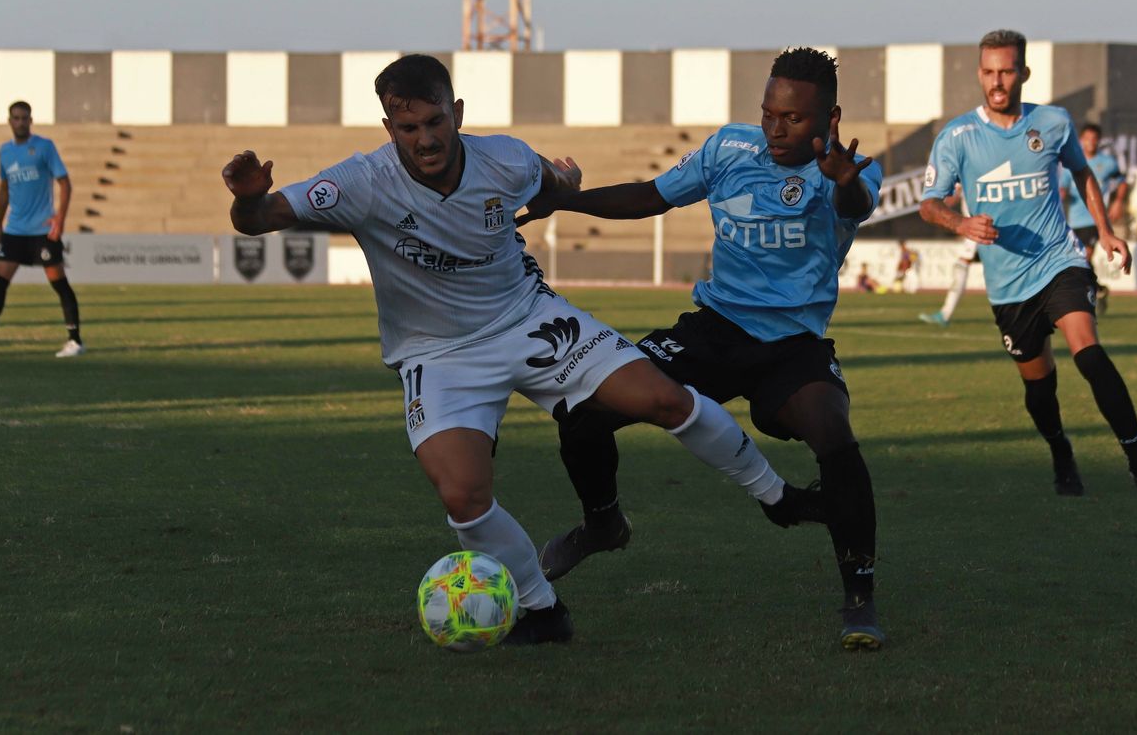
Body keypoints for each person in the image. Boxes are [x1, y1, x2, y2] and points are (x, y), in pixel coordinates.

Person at [220, 55, 812, 646]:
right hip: (438, 352)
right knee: (463, 496)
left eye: (434, 122)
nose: (424, 139)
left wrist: (568, 181)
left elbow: (553, 183)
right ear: (388, 129)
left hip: (528, 317)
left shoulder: (504, 158)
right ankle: (542, 609)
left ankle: (777, 496)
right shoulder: (360, 182)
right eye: (408, 128)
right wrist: (249, 198)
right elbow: (261, 218)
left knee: (662, 399)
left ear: (456, 114)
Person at [517, 47, 888, 650]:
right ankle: (603, 522)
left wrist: (843, 182)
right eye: (769, 112)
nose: (775, 127)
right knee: (584, 413)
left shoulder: (851, 172)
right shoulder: (728, 149)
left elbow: (857, 204)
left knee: (834, 435)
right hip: (712, 331)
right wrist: (567, 199)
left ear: (830, 118)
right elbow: (652, 196)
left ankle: (859, 596)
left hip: (792, 345)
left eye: (793, 119)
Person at [918, 30, 1137, 508]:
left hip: (1061, 261)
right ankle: (1061, 452)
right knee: (1040, 388)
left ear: (1024, 74)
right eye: (989, 72)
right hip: (1008, 286)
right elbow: (929, 205)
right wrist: (962, 222)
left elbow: (1082, 171)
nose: (998, 81)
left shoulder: (1053, 122)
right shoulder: (957, 137)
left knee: (1089, 353)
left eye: (1007, 71)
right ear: (980, 74)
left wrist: (1107, 229)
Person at [0, 101, 83, 359]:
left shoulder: (44, 147)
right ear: (9, 121)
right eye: (16, 118)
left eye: (24, 118)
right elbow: (4, 188)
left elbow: (65, 183)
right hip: (15, 231)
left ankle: (75, 341)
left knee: (59, 284)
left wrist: (60, 219)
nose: (20, 122)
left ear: (31, 121)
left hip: (42, 231)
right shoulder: (5, 152)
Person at [1057, 123, 1127, 316]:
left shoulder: (1107, 163)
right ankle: (1098, 289)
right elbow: (1063, 187)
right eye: (1087, 138)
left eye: (1094, 138)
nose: (1090, 142)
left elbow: (1121, 182)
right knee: (1078, 260)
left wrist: (1118, 202)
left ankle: (1090, 293)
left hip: (1094, 220)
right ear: (1080, 140)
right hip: (1074, 220)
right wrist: (1061, 194)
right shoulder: (1071, 163)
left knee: (1084, 256)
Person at [918, 185, 979, 327]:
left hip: (977, 225)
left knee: (962, 264)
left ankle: (945, 315)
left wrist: (934, 206)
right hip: (978, 224)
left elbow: (952, 198)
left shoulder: (966, 167)